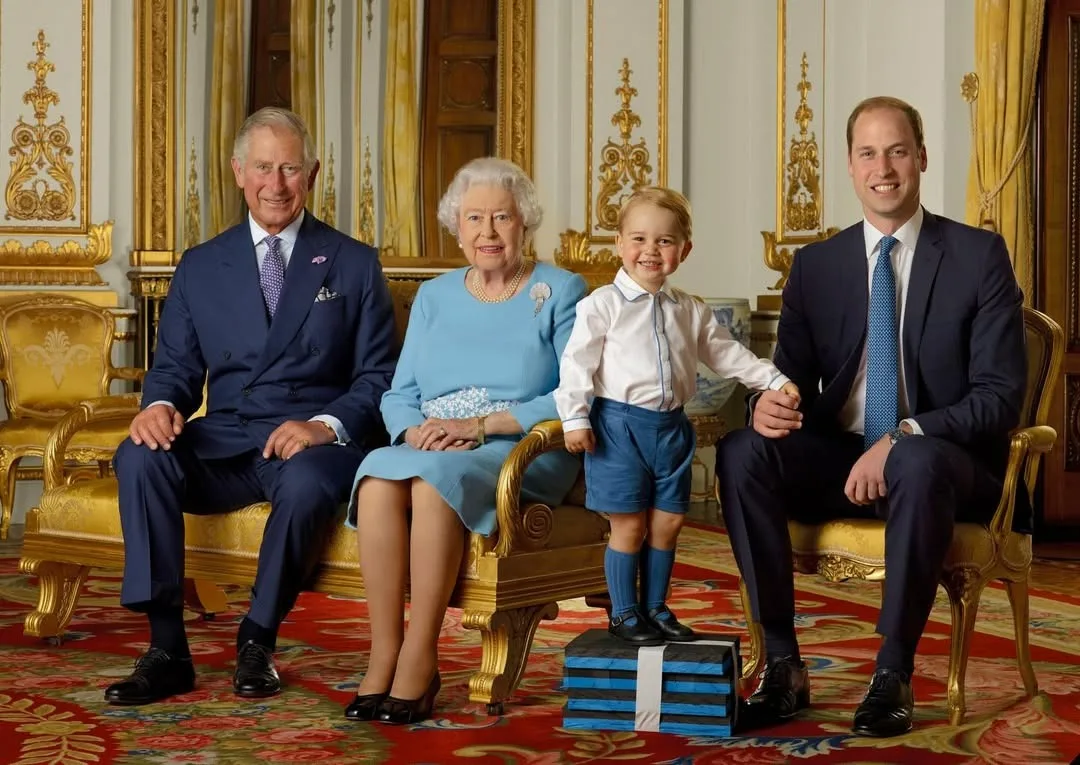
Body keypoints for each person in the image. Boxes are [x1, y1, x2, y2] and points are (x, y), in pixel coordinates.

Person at [716, 96, 1027, 737]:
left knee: (912, 456)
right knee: (743, 449)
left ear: (921, 158)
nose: (883, 167)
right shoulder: (817, 265)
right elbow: (791, 382)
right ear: (850, 167)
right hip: (842, 456)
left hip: (947, 464)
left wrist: (906, 434)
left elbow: (999, 397)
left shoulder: (978, 256)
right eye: (867, 153)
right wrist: (765, 404)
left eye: (896, 151)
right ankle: (781, 665)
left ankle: (892, 674)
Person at [104, 107, 398, 705]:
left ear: (312, 174)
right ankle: (167, 649)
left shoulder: (355, 262)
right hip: (230, 435)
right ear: (239, 172)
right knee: (140, 455)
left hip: (312, 441)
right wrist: (159, 405)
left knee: (310, 481)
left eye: (290, 168)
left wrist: (324, 425)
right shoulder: (202, 264)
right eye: (263, 167)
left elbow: (380, 377)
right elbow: (176, 370)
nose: (277, 183)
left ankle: (257, 640)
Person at [344, 157, 587, 725]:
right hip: (433, 444)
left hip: (519, 449)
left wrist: (481, 426)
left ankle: (420, 655)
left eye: (502, 217)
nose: (488, 232)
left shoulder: (559, 290)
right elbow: (398, 393)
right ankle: (384, 651)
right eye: (474, 218)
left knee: (433, 486)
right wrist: (413, 430)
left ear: (524, 223)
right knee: (379, 476)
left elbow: (575, 393)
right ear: (457, 226)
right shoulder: (434, 295)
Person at [554, 186, 800, 647]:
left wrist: (771, 379)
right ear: (620, 245)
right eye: (639, 239)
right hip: (618, 428)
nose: (651, 251)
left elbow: (727, 355)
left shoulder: (689, 309)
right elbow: (576, 364)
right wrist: (574, 419)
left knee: (667, 522)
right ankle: (624, 612)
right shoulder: (600, 306)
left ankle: (656, 607)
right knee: (628, 524)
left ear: (683, 250)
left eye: (664, 241)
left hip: (671, 429)